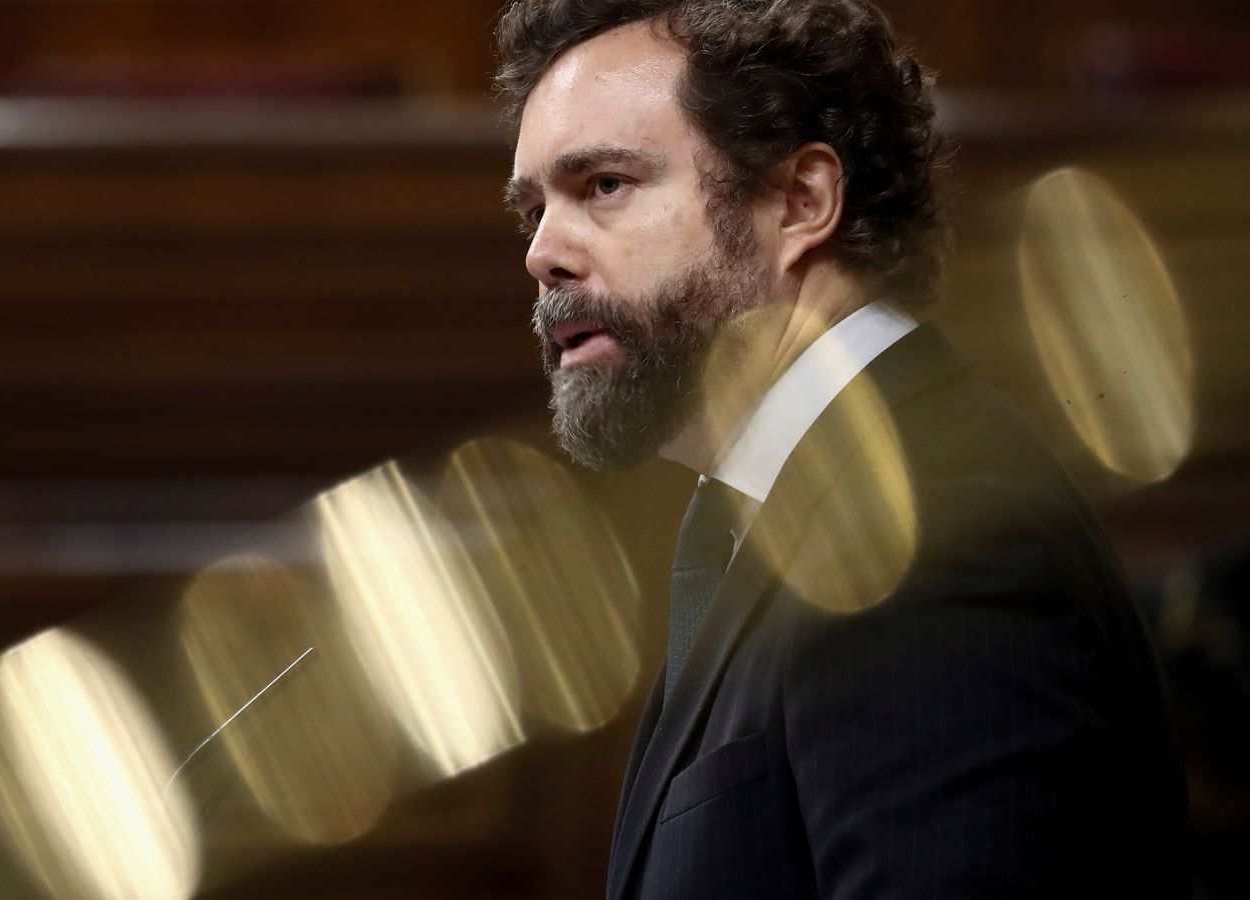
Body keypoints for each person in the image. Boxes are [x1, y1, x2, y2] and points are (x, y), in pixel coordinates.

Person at [493, 1, 1190, 897]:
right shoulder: (802, 507)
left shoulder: (925, 529)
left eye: (604, 186)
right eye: (533, 211)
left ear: (801, 201)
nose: (543, 254)